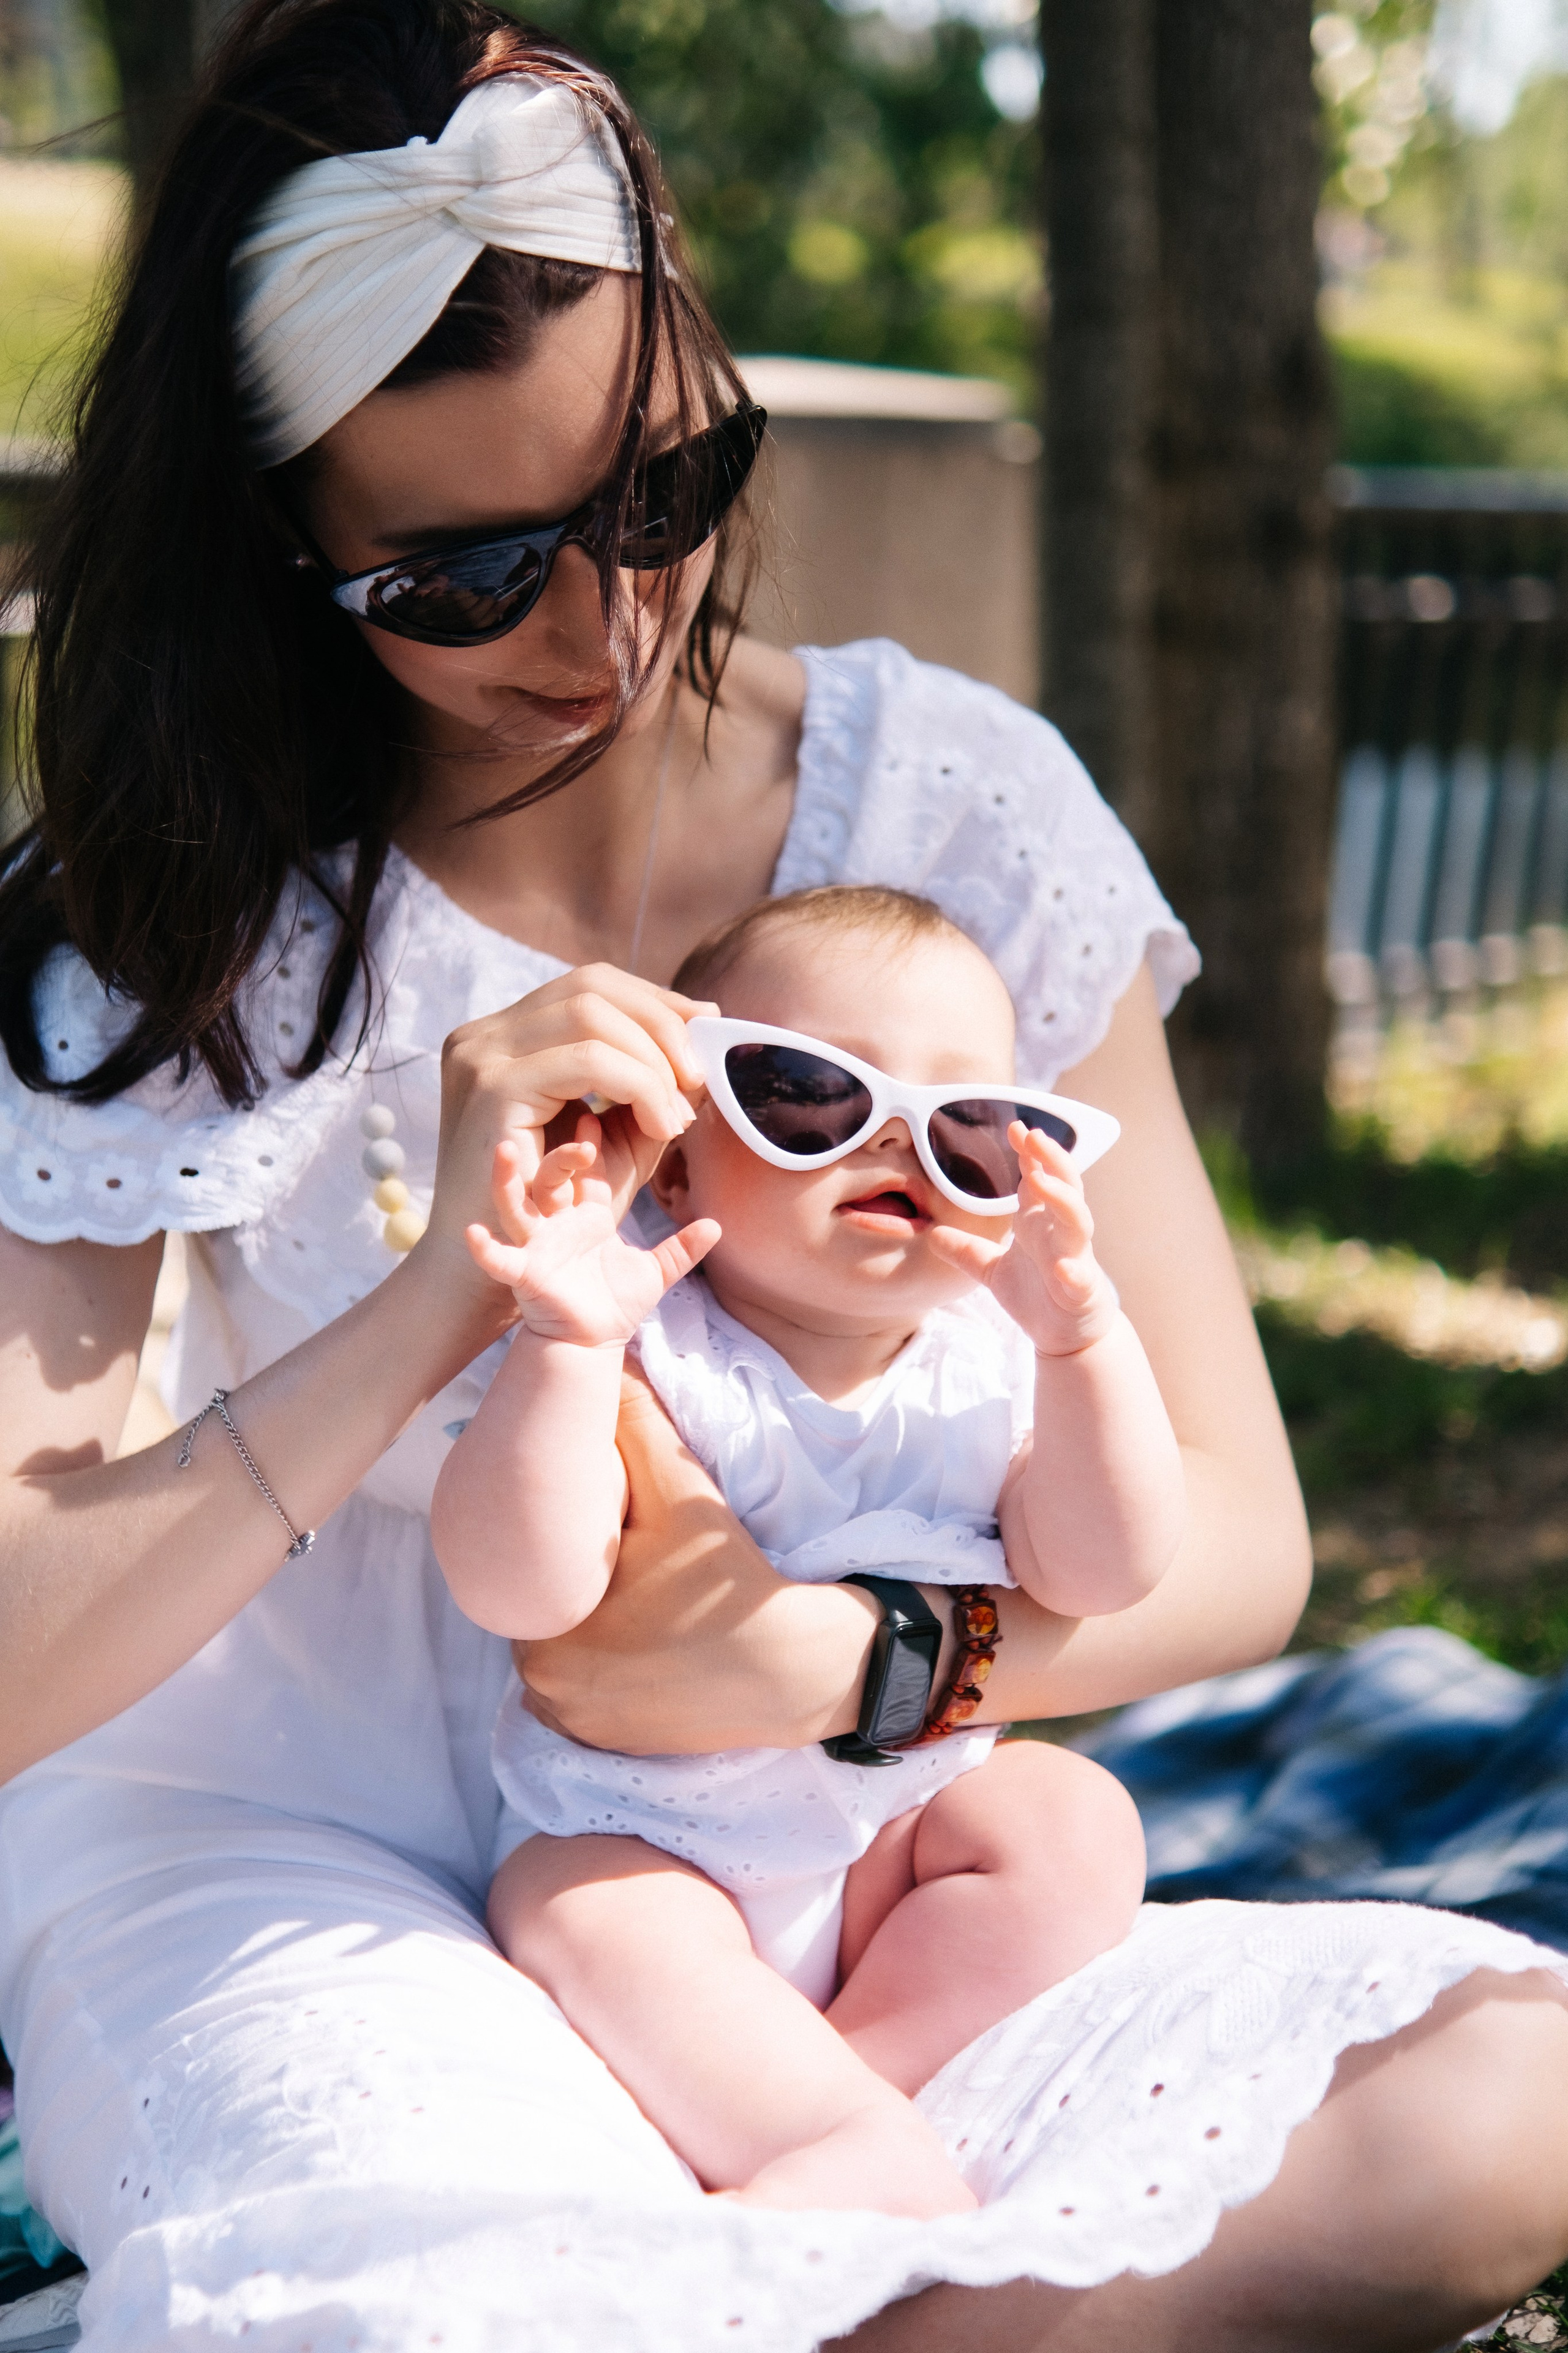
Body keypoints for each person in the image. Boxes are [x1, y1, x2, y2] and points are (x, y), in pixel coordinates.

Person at [1, 2, 1566, 2346]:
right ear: (281, 540)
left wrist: (838, 1664)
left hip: (819, 1900)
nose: (606, 622)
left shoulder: (952, 812)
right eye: (463, 574)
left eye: (658, 491)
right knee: (457, 2300)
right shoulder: (164, 918)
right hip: (294, 1864)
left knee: (1508, 2096)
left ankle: (804, 2258)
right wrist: (452, 1281)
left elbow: (1241, 1539)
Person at [437, 883, 1175, 2217]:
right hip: (647, 1835)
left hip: (891, 1837)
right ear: (672, 1161)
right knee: (582, 1903)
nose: (891, 1145)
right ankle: (807, 2127)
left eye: (971, 1131)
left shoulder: (997, 1365)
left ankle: (846, 2094)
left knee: (1070, 1819)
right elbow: (514, 1586)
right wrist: (559, 1350)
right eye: (806, 1095)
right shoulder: (638, 1334)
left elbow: (1101, 1572)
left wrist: (1084, 1343)